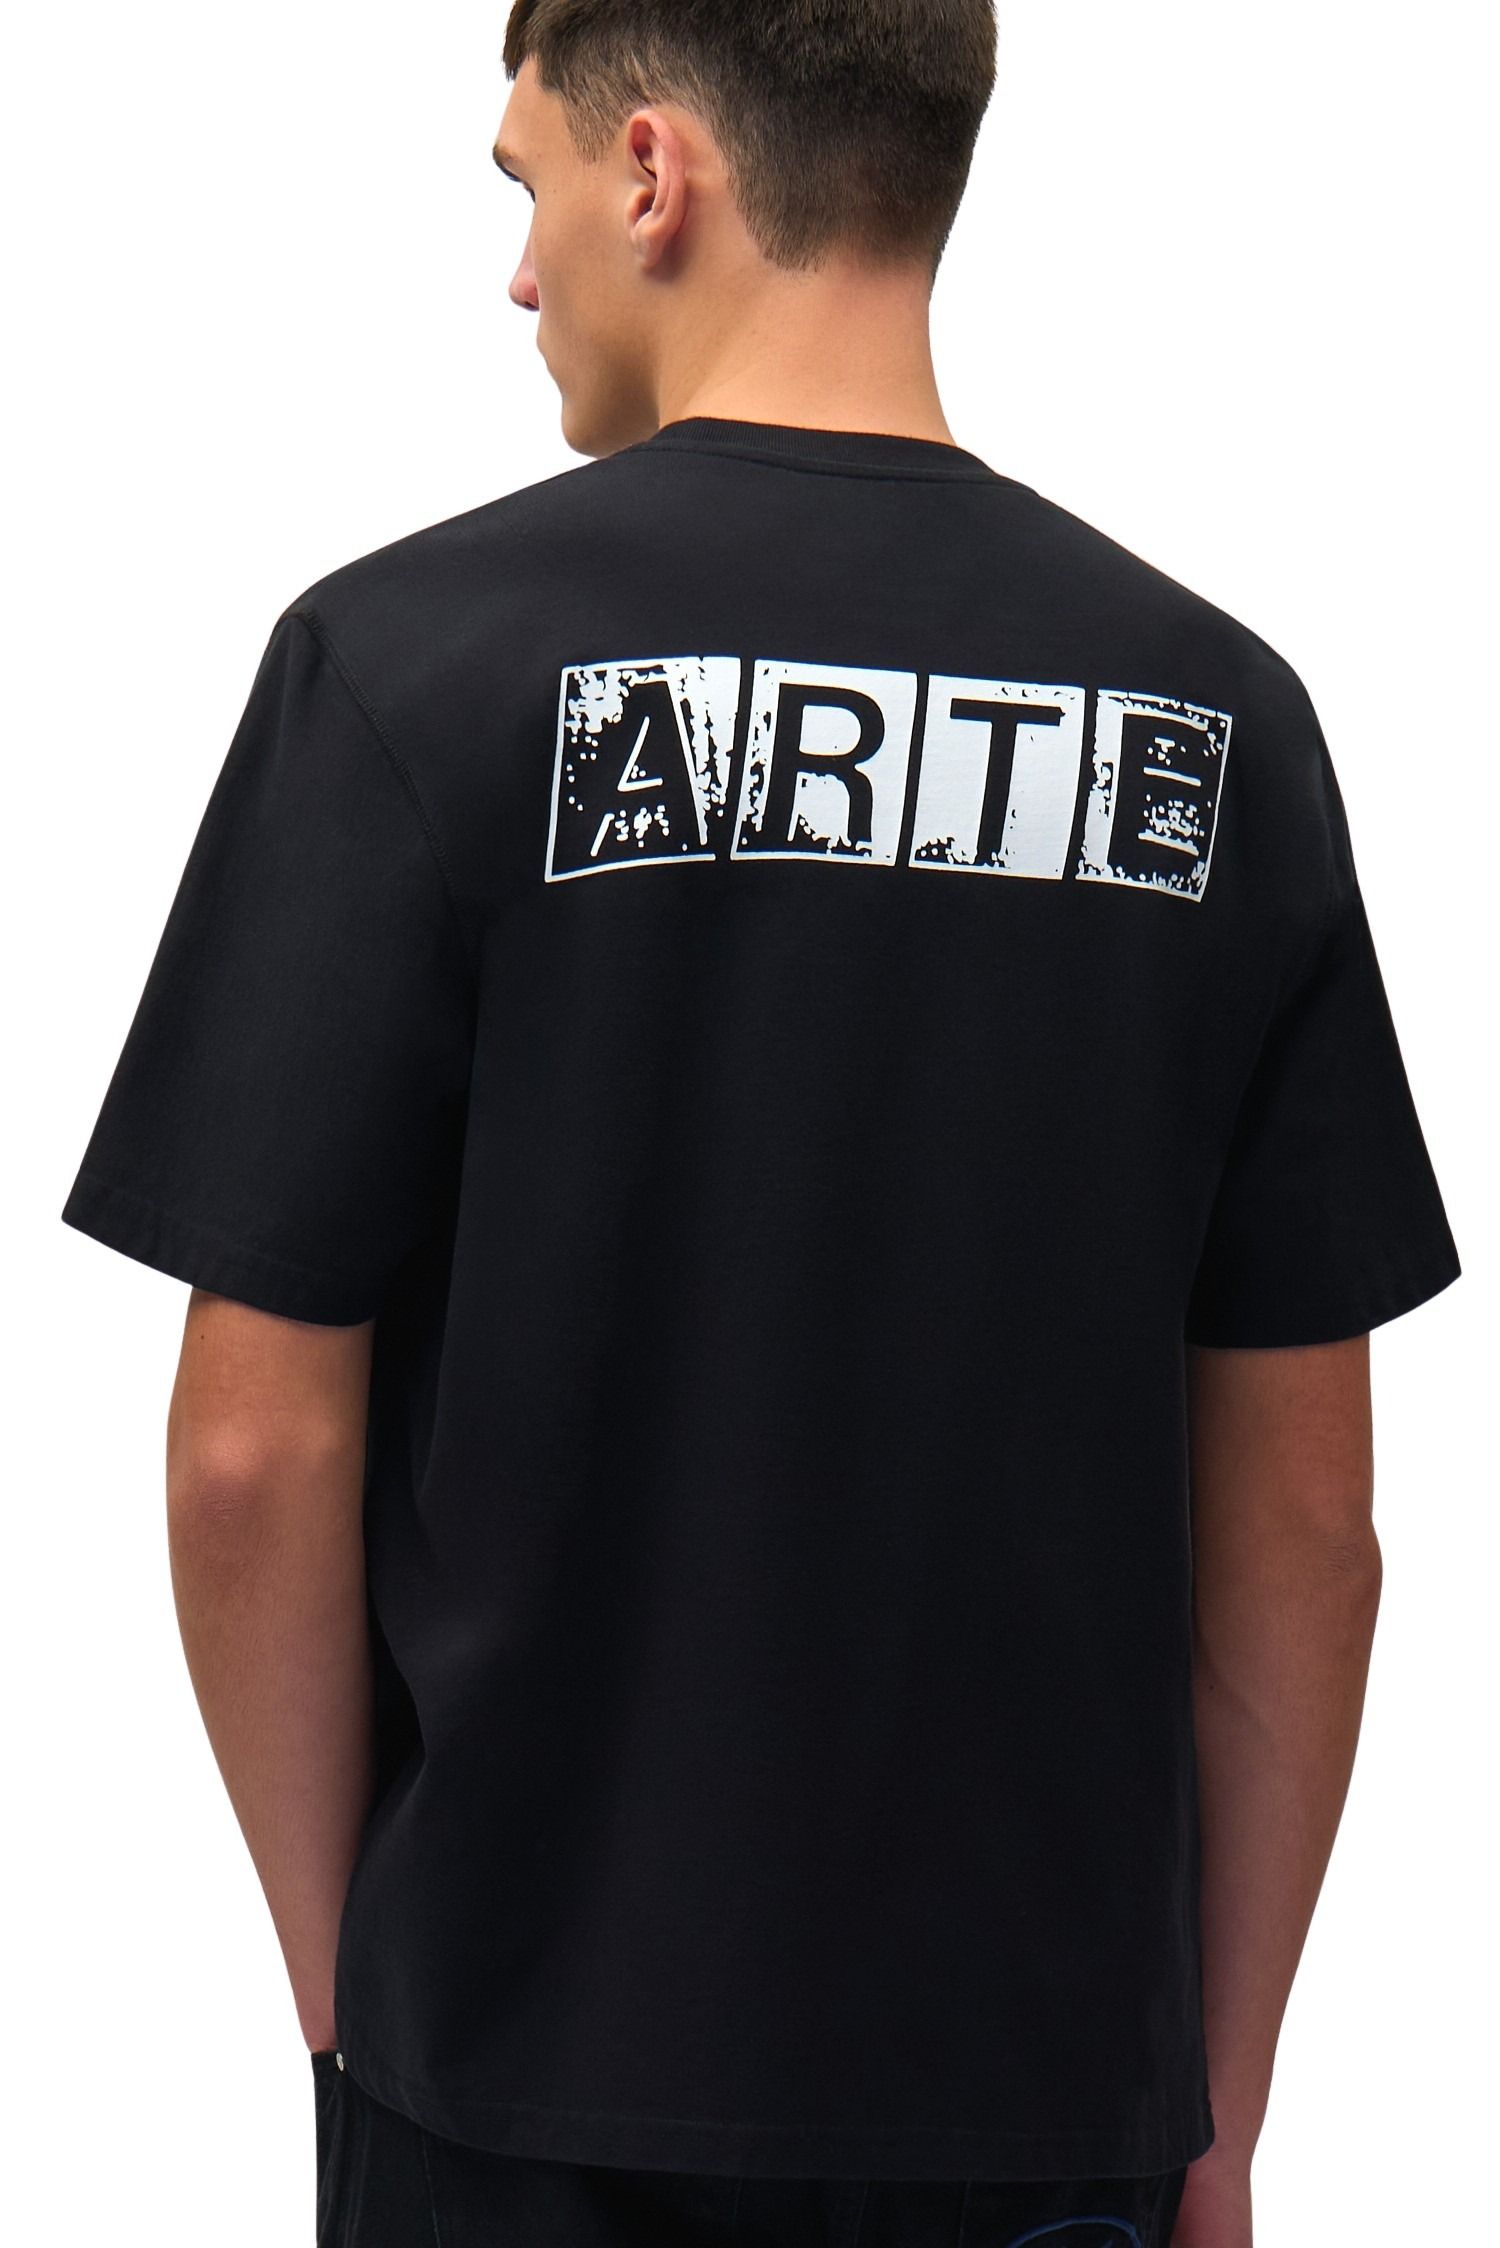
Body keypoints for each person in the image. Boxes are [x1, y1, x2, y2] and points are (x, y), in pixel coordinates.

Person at [60, 4, 1463, 2244]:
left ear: (653, 174)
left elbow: (249, 1449)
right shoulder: (1222, 728)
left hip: (518, 2090)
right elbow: (1307, 1526)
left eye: (523, 186)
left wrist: (352, 2001)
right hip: (1038, 2110)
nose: (519, 272)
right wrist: (1217, 2098)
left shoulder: (408, 667)